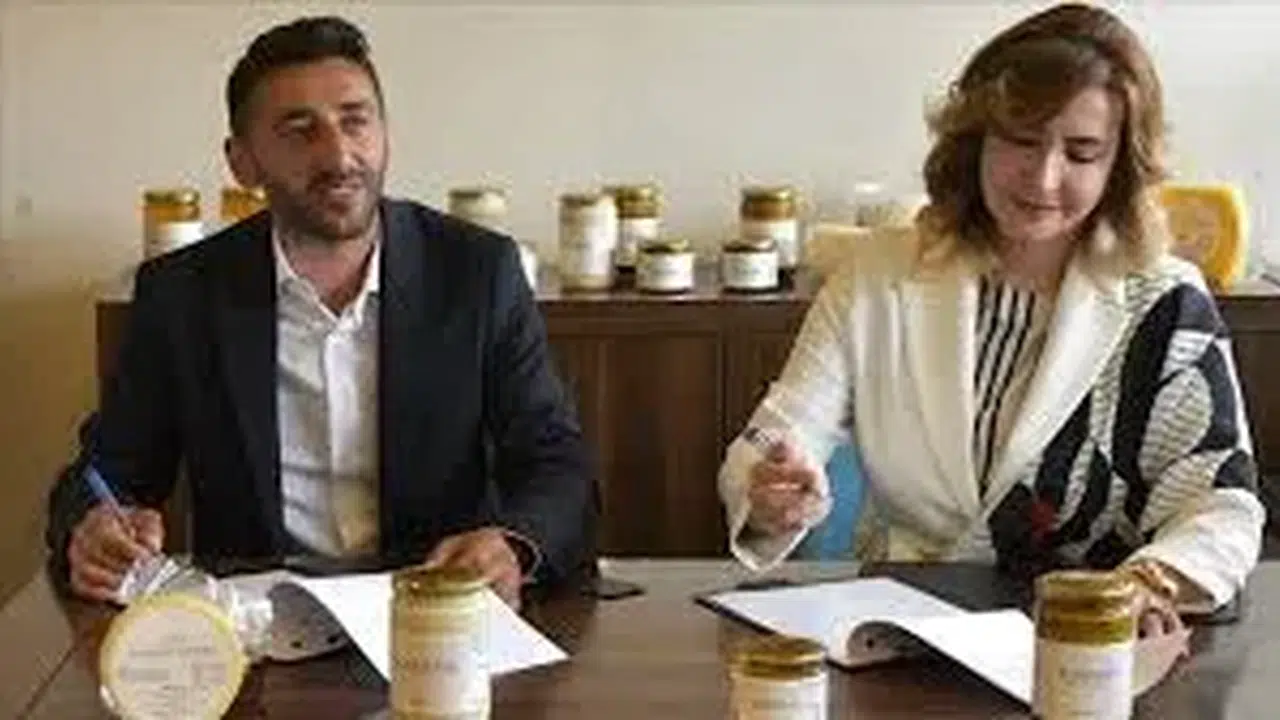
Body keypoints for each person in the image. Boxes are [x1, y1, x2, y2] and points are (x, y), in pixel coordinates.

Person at [719, 3, 1263, 639]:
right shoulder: (877, 275)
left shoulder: (1167, 303)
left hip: (1093, 640)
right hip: (898, 629)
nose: (1044, 177)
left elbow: (1221, 503)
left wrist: (1147, 584)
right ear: (974, 139)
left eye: (1082, 152)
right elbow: (776, 436)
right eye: (1022, 141)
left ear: (1119, 167)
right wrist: (769, 490)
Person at [45, 16, 596, 609]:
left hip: (435, 615)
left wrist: (512, 545)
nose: (339, 156)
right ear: (243, 162)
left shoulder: (477, 273)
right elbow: (106, 471)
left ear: (385, 132)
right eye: (299, 130)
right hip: (256, 624)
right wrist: (91, 526)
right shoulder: (182, 294)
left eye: (355, 121)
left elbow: (556, 463)